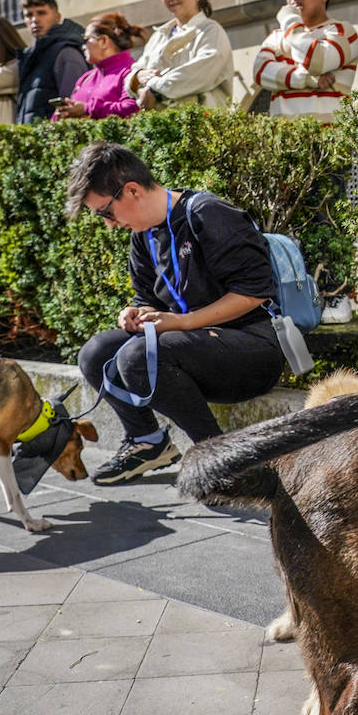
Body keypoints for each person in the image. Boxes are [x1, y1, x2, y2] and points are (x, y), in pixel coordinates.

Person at [66, 141, 285, 486]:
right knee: (96, 354)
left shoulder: (208, 214)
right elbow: (147, 298)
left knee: (139, 357)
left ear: (132, 190)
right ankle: (148, 443)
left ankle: (224, 464)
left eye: (105, 212)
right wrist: (137, 313)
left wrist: (183, 322)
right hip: (192, 348)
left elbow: (255, 292)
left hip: (252, 350)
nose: (108, 224)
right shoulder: (143, 236)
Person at [252, 0, 358, 120]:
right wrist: (307, 79)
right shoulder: (276, 37)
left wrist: (290, 20)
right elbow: (260, 72)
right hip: (285, 141)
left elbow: (318, 60)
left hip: (330, 141)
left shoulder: (341, 31)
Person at [125, 0, 233, 111]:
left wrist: (154, 90)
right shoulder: (158, 36)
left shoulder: (211, 31)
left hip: (199, 124)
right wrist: (138, 77)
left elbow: (197, 75)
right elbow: (132, 76)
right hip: (160, 125)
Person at [53, 13, 149, 121]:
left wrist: (87, 109)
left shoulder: (131, 72)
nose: (83, 46)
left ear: (103, 41)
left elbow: (133, 109)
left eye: (86, 40)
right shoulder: (85, 78)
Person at [15, 0, 89, 125]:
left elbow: (72, 106)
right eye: (29, 15)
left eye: (41, 13)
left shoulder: (66, 52)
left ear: (57, 17)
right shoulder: (31, 56)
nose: (35, 19)